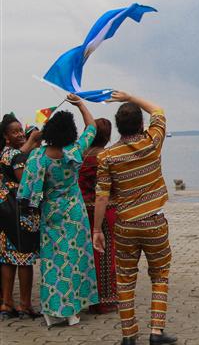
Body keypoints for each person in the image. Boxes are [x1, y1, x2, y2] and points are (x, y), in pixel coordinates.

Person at [91, 91, 176, 345]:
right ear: (141, 124)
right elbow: (159, 110)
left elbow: (102, 196)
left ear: (118, 126)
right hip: (154, 222)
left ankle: (129, 336)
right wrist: (130, 96)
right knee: (159, 275)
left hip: (125, 225)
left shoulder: (107, 157)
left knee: (125, 278)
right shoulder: (152, 142)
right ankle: (156, 331)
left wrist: (97, 229)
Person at [17, 95, 99, 327]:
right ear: (70, 133)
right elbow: (91, 127)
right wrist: (80, 104)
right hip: (74, 212)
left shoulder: (38, 158)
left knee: (53, 261)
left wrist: (35, 139)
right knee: (73, 260)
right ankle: (71, 310)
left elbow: (26, 190)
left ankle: (51, 310)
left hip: (51, 211)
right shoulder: (75, 150)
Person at [0, 114, 42, 319]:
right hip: (20, 213)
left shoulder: (9, 153)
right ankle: (24, 305)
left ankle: (7, 304)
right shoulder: (12, 155)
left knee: (7, 259)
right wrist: (33, 142)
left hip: (6, 213)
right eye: (14, 132)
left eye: (20, 130)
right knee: (24, 259)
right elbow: (24, 180)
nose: (19, 134)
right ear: (6, 137)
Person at [79, 118, 118, 314]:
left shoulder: (80, 155)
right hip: (105, 208)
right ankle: (106, 298)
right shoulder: (106, 156)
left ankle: (90, 297)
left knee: (88, 254)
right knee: (106, 253)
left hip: (83, 209)